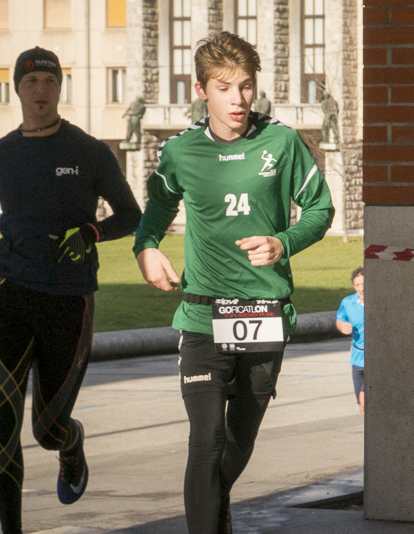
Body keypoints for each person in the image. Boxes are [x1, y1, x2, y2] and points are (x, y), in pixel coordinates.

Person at [133, 31, 334, 534]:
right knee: (205, 441)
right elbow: (157, 209)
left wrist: (283, 243)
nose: (238, 98)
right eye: (224, 88)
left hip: (264, 314)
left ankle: (213, 514)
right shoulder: (180, 151)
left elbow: (320, 209)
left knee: (238, 444)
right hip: (202, 316)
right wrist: (147, 247)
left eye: (245, 85)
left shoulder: (282, 142)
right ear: (201, 91)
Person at [0, 47, 141, 534]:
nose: (40, 90)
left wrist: (91, 233)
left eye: (50, 81)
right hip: (9, 295)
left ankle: (70, 445)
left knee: (47, 430)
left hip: (69, 301)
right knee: (3, 418)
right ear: (17, 89)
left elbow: (132, 215)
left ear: (60, 89)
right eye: (31, 82)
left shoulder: (90, 152)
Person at [335, 267, 365, 413]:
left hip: (377, 357)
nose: (361, 288)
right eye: (358, 285)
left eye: (364, 284)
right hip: (357, 357)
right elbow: (340, 320)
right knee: (361, 404)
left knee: (365, 398)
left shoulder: (380, 303)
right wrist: (342, 327)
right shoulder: (348, 302)